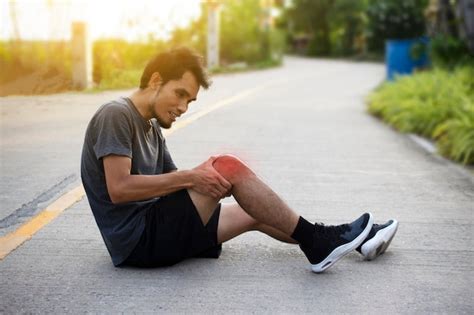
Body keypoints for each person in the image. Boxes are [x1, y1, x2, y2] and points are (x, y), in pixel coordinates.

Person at [81, 47, 398, 273]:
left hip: (158, 230)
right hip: (140, 241)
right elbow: (119, 189)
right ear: (154, 81)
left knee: (254, 209)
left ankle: (352, 240)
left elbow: (173, 184)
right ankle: (321, 242)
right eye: (179, 94)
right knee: (227, 165)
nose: (183, 108)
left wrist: (206, 179)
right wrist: (201, 176)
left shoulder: (151, 127)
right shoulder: (116, 115)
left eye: (189, 101)